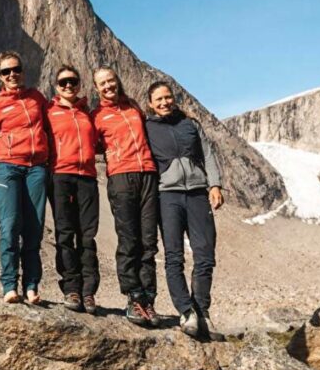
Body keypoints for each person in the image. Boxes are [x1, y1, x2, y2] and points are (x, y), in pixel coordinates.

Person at [145, 81, 224, 340]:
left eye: (168, 97)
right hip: (167, 196)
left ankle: (202, 310)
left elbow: (208, 154)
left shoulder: (190, 124)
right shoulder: (147, 127)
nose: (165, 102)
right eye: (159, 99)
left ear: (174, 98)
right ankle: (185, 310)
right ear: (150, 104)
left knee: (205, 255)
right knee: (174, 257)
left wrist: (214, 184)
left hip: (198, 193)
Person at [91, 67, 162, 327]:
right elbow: (93, 145)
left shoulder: (133, 107)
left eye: (111, 80)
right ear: (97, 89)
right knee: (129, 238)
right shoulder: (97, 116)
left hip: (148, 175)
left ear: (117, 81)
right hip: (121, 177)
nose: (108, 85)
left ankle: (149, 299)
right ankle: (133, 297)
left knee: (149, 241)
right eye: (102, 83)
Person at [0, 50, 49, 304]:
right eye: (6, 71)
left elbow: (49, 127)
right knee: (10, 227)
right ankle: (9, 286)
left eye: (16, 69)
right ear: (0, 76)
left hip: (36, 168)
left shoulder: (36, 98)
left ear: (23, 71)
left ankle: (31, 286)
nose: (12, 74)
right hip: (7, 168)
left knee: (34, 228)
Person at [45, 65, 100, 314]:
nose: (69, 86)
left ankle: (88, 291)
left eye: (73, 81)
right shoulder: (49, 112)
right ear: (56, 86)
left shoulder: (88, 113)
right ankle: (71, 288)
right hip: (61, 176)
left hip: (87, 177)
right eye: (63, 82)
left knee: (87, 235)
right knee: (66, 233)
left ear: (79, 84)